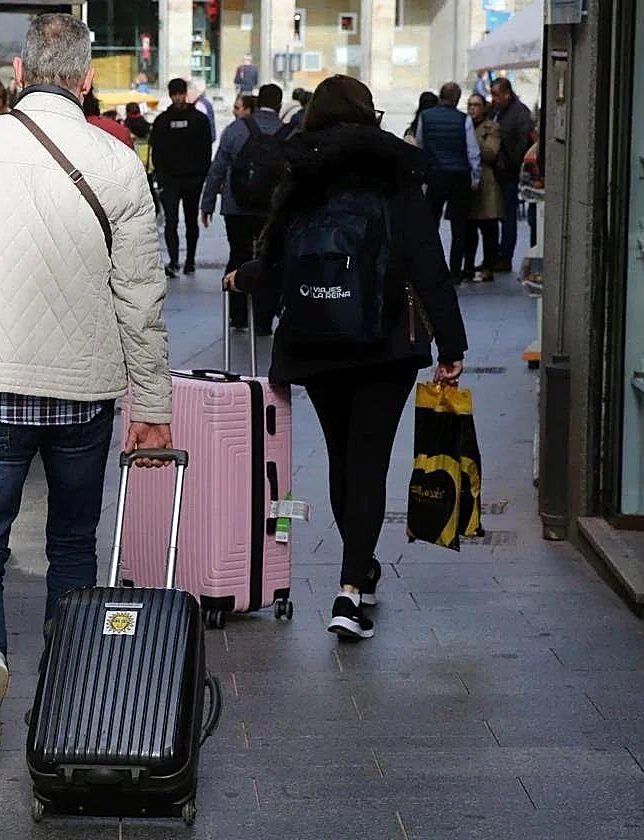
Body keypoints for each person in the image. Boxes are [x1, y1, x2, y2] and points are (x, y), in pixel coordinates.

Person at [0, 12, 173, 770]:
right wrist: (151, 407)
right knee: (73, 543)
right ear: (86, 81)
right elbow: (141, 293)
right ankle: (66, 684)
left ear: (17, 76)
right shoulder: (116, 161)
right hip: (84, 391)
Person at [226, 75, 467, 642]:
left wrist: (243, 277)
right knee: (370, 459)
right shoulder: (397, 173)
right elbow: (427, 262)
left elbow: (277, 259)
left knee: (341, 458)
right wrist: (451, 345)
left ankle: (358, 569)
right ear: (368, 113)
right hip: (386, 345)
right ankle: (351, 587)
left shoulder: (301, 173)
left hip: (316, 338)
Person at [201, 83, 287, 332]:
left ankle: (237, 316)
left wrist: (207, 204)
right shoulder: (288, 133)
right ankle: (262, 320)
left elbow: (217, 169)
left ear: (258, 102)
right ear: (280, 105)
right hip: (271, 210)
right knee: (268, 260)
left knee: (238, 255)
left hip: (236, 207)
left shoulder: (236, 129)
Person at [417, 82, 481, 280]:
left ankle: (430, 267)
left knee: (430, 226)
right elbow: (473, 151)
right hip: (459, 177)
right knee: (459, 227)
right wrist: (476, 177)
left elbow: (420, 145)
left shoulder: (425, 117)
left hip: (435, 176)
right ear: (458, 98)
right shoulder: (464, 120)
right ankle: (454, 271)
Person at [150, 78, 212, 277]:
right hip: (172, 179)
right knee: (172, 221)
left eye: (180, 94)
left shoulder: (196, 120)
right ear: (170, 95)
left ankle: (190, 260)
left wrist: (201, 175)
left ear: (185, 93)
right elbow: (156, 152)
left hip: (190, 179)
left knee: (190, 221)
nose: (177, 98)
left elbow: (205, 150)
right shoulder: (164, 121)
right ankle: (175, 260)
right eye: (174, 94)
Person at [490, 77, 534, 272]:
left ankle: (505, 256)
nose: (494, 99)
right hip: (496, 172)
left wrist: (512, 162)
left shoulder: (519, 112)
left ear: (507, 94)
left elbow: (523, 142)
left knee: (508, 216)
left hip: (509, 173)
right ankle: (496, 255)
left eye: (496, 95)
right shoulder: (497, 111)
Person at [463, 93, 502, 283]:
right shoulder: (463, 124)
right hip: (469, 182)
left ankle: (489, 265)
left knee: (489, 229)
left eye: (476, 105)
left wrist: (473, 139)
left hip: (486, 183)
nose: (472, 109)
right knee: (468, 230)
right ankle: (468, 266)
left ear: (483, 108)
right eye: (469, 105)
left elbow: (491, 154)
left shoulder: (492, 128)